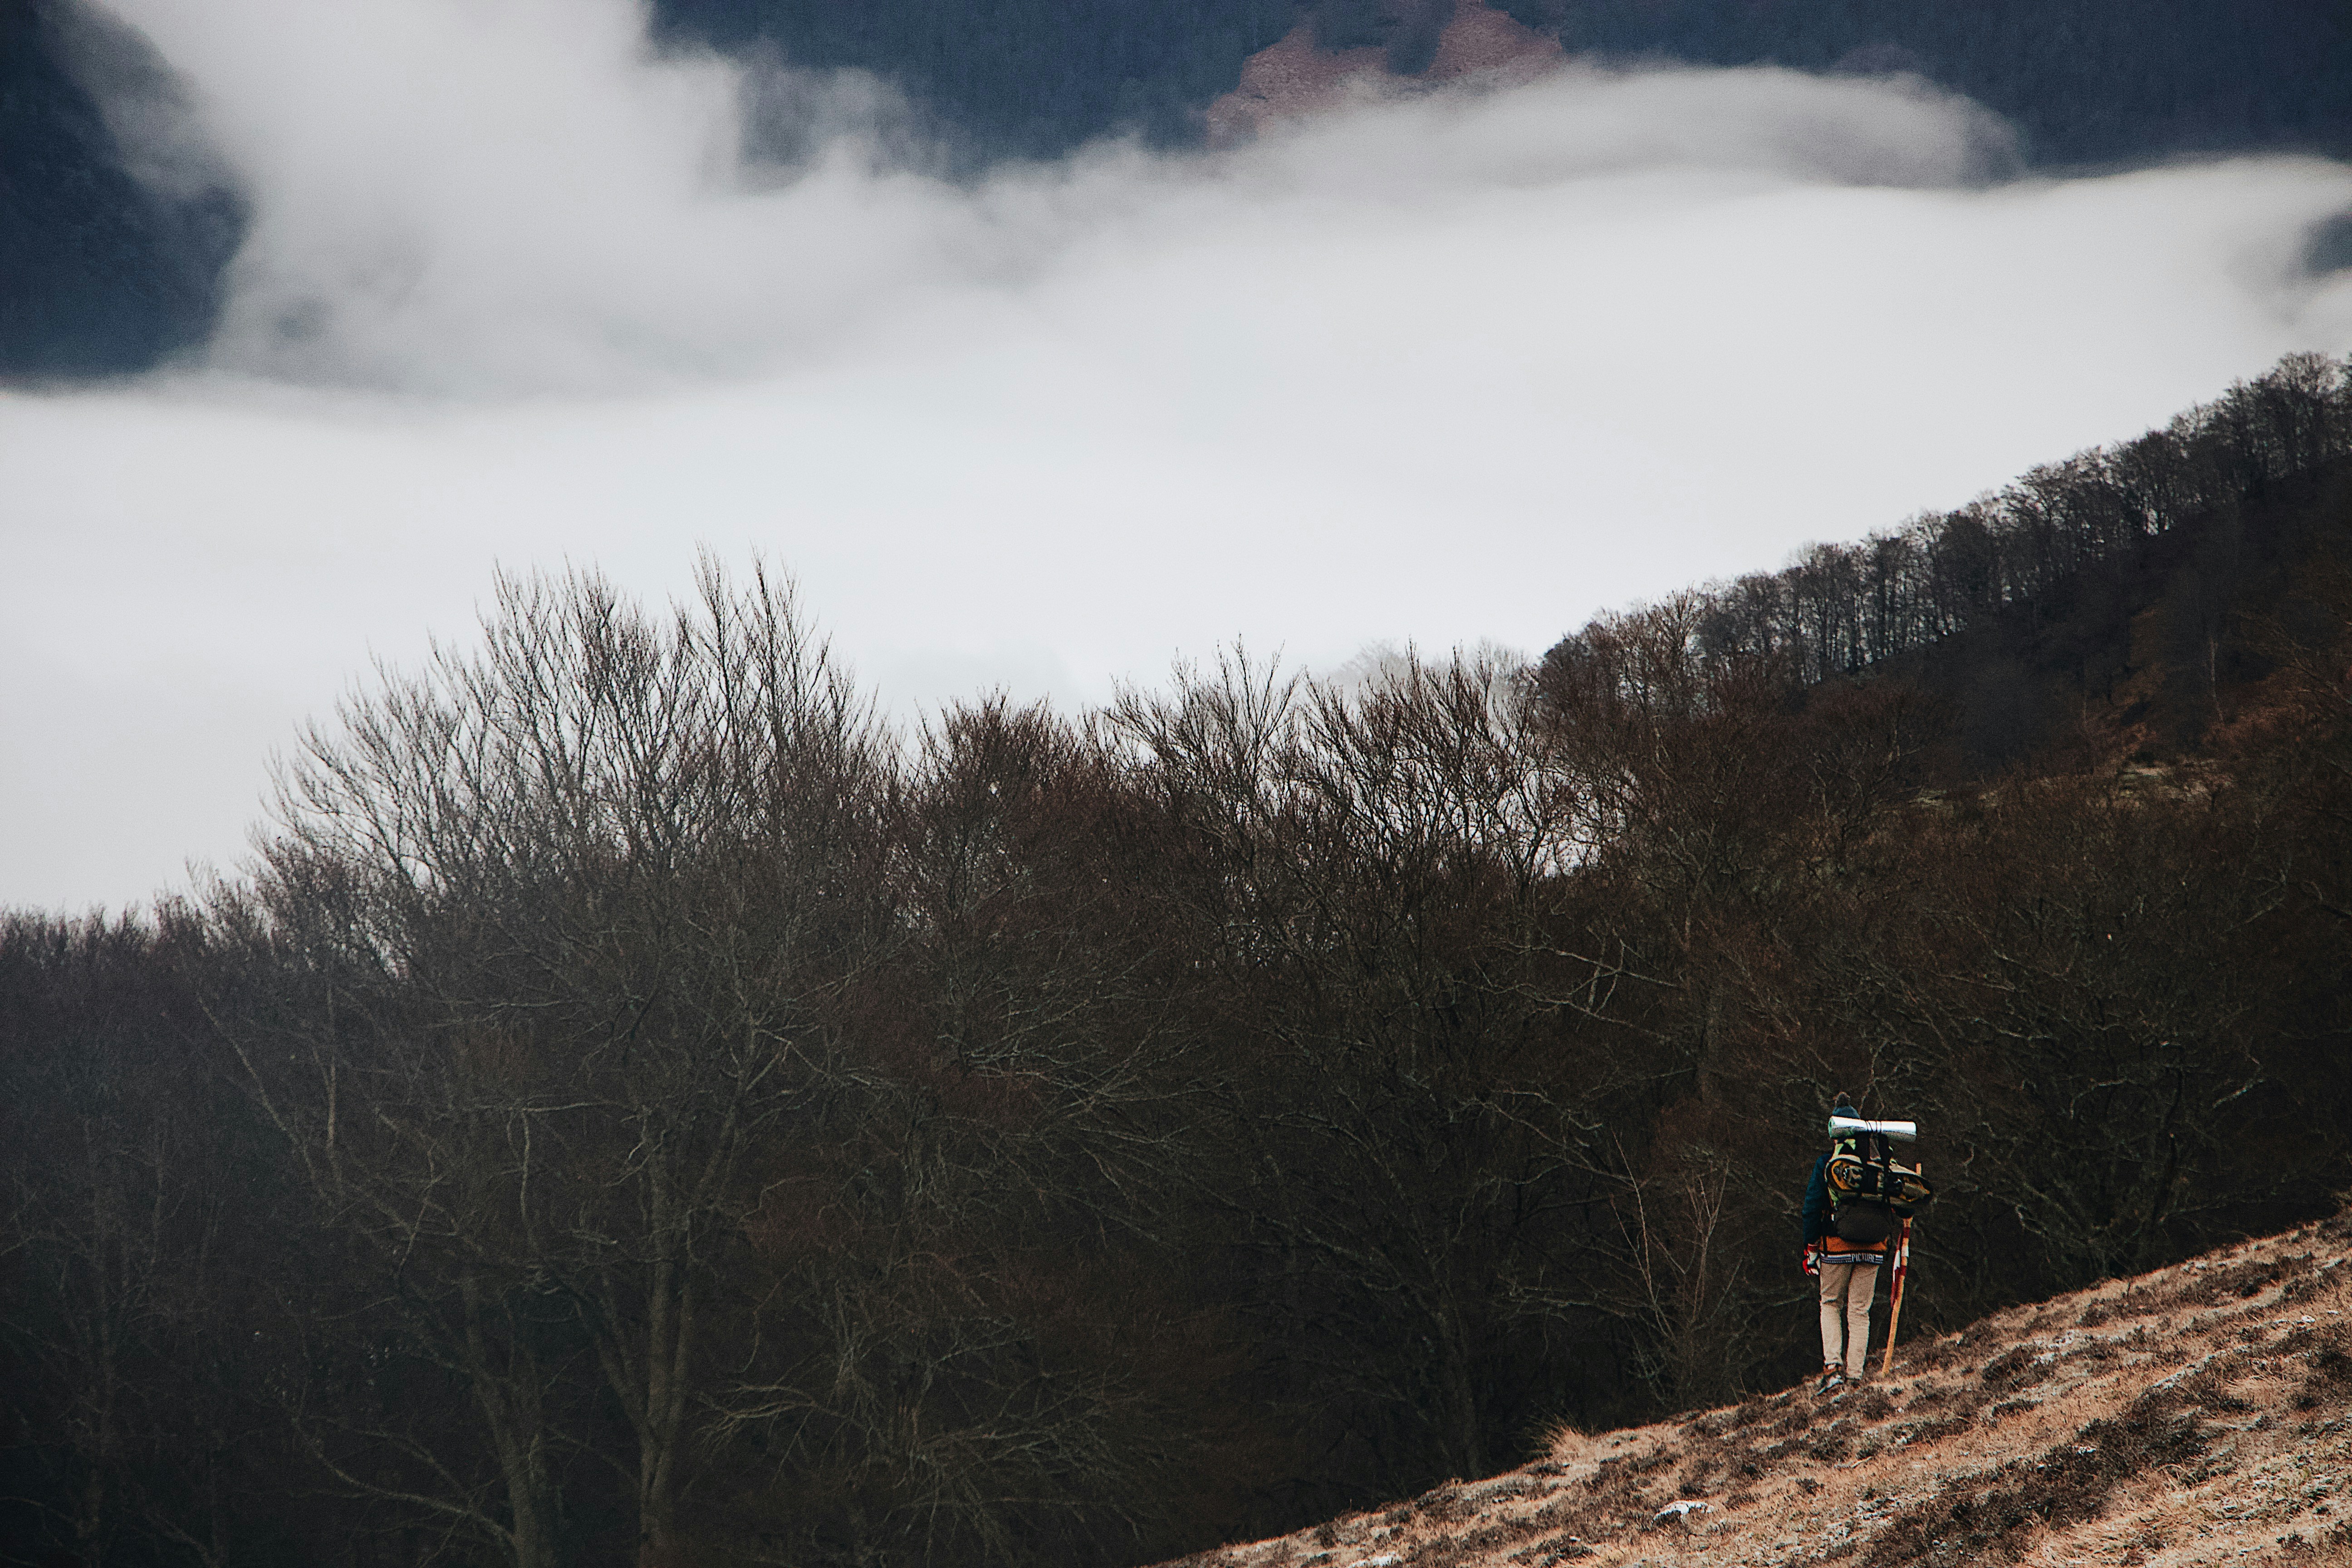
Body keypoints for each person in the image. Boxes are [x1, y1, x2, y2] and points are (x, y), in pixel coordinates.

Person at [1801, 1092, 1887, 1392]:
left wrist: (1811, 1247)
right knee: (1860, 1312)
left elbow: (1811, 1208)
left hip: (1836, 1247)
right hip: (1874, 1248)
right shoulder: (1879, 1163)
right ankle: (1856, 1376)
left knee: (1830, 1304)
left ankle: (1833, 1370)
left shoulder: (1828, 1163)